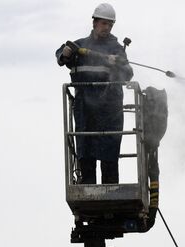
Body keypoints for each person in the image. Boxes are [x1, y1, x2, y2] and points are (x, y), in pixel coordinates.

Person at [56, 3, 133, 184]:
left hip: (110, 110)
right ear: (95, 22)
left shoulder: (117, 49)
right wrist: (65, 52)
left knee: (109, 158)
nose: (107, 28)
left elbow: (128, 74)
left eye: (110, 25)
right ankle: (88, 190)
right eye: (104, 23)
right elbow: (61, 56)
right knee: (85, 154)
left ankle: (111, 194)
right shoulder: (80, 46)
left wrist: (118, 64)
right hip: (85, 111)